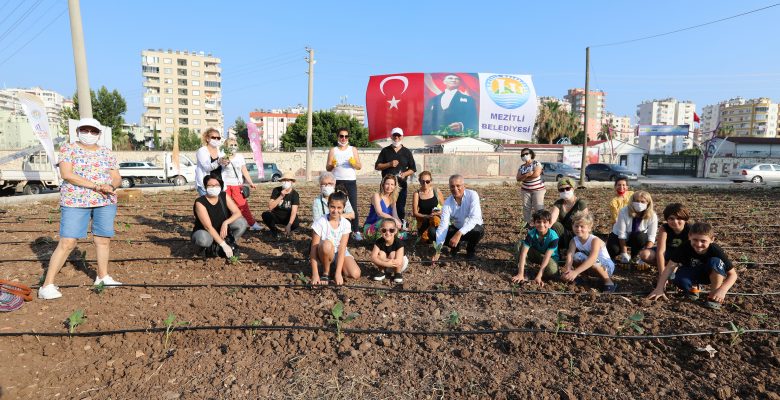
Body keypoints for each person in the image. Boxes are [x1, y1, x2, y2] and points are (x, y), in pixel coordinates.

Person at [39, 118, 123, 300]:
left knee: (103, 240)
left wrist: (112, 186)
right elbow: (67, 174)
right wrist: (96, 186)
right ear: (78, 131)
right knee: (68, 242)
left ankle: (102, 277)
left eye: (93, 131)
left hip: (105, 200)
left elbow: (116, 176)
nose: (89, 134)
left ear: (99, 134)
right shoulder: (68, 149)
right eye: (85, 130)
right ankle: (47, 285)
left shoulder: (106, 152)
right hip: (75, 200)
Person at [647, 222, 737, 310]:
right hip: (691, 272)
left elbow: (733, 275)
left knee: (715, 262)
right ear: (689, 236)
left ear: (712, 239)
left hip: (709, 274)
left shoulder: (715, 250)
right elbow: (669, 267)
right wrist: (659, 288)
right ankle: (693, 289)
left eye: (703, 241)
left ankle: (714, 296)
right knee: (677, 278)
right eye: (695, 240)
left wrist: (722, 290)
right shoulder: (683, 248)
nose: (698, 244)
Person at [309, 191, 361, 286]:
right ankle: (325, 272)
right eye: (332, 207)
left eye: (339, 208)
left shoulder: (346, 224)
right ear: (328, 206)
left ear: (343, 208)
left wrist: (338, 274)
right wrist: (315, 274)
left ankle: (335, 269)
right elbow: (313, 248)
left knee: (355, 274)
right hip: (323, 252)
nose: (335, 210)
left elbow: (342, 248)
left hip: (338, 253)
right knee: (327, 245)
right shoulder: (320, 222)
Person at [191, 175, 248, 257]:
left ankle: (229, 244)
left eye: (217, 185)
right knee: (203, 239)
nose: (214, 187)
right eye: (210, 185)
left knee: (241, 222)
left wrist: (226, 222)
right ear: (205, 187)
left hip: (221, 230)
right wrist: (223, 245)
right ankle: (202, 250)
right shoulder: (200, 202)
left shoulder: (224, 196)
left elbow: (237, 212)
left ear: (221, 186)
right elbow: (208, 227)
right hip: (206, 232)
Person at [561, 211, 617, 292]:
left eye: (582, 226)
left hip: (606, 267)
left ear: (589, 228)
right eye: (576, 226)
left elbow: (592, 259)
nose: (578, 229)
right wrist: (568, 270)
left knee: (594, 261)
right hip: (592, 265)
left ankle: (608, 282)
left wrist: (575, 272)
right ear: (572, 226)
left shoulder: (595, 240)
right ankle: (585, 279)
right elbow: (570, 255)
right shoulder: (573, 241)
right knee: (577, 256)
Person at [432, 175, 484, 261]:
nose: (455, 189)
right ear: (449, 187)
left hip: (471, 230)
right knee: (433, 232)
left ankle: (470, 250)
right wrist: (437, 250)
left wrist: (459, 233)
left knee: (477, 230)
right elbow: (443, 225)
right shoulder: (448, 202)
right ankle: (455, 247)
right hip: (457, 228)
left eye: (458, 186)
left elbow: (475, 218)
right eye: (452, 186)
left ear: (464, 186)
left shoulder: (472, 195)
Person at [374, 127, 416, 229]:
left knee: (400, 207)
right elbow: (377, 166)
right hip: (386, 186)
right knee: (386, 206)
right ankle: (385, 227)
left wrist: (405, 174)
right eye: (394, 135)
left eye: (399, 135)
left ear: (402, 137)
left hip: (401, 185)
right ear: (391, 136)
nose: (396, 137)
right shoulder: (385, 151)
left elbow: (413, 168)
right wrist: (389, 164)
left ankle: (399, 227)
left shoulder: (406, 152)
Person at [326, 128, 363, 240]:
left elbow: (359, 166)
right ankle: (336, 229)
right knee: (336, 205)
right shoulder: (333, 150)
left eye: (346, 136)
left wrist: (353, 164)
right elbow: (327, 168)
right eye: (341, 136)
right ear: (338, 137)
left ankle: (356, 230)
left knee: (353, 205)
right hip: (336, 181)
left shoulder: (353, 149)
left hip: (350, 181)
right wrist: (332, 165)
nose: (343, 138)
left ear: (348, 138)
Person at [221, 137, 261, 231]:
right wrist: (225, 159)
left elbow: (244, 171)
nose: (233, 147)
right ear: (226, 146)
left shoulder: (240, 157)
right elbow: (221, 165)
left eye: (235, 145)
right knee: (226, 206)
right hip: (225, 185)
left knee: (243, 205)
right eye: (231, 145)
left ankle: (252, 223)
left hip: (237, 185)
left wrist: (250, 182)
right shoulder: (223, 156)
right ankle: (228, 224)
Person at [607, 190, 658, 264]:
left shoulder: (652, 216)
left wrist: (645, 255)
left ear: (648, 203)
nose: (639, 204)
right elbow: (622, 234)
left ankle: (635, 256)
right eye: (636, 201)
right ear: (632, 201)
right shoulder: (624, 211)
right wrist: (624, 253)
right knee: (613, 249)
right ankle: (612, 258)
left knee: (641, 237)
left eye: (642, 202)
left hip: (637, 238)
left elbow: (651, 236)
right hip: (618, 236)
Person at [511, 209, 559, 287]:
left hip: (550, 258)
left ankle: (538, 274)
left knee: (552, 271)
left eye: (544, 222)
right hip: (537, 254)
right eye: (538, 222)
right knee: (520, 244)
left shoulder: (553, 237)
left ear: (549, 223)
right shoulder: (531, 234)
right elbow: (523, 253)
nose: (541, 225)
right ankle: (525, 271)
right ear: (534, 223)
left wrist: (539, 276)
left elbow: (547, 257)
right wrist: (520, 273)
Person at [649, 203, 691, 280]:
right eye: (671, 218)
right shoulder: (664, 228)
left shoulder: (690, 230)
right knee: (645, 254)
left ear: (685, 219)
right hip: (669, 251)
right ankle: (667, 268)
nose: (675, 221)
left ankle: (676, 268)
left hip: (683, 255)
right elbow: (661, 252)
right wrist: (662, 274)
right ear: (667, 219)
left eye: (679, 218)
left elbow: (689, 252)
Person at [550, 177, 589, 253]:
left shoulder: (580, 203)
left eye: (567, 188)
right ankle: (556, 251)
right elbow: (552, 219)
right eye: (561, 190)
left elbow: (585, 222)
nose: (565, 191)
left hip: (577, 233)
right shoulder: (559, 203)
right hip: (563, 234)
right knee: (555, 225)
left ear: (573, 188)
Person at [363, 174, 405, 241]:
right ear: (383, 184)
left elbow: (395, 216)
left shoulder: (393, 199)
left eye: (392, 184)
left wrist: (401, 225)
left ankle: (388, 242)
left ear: (395, 186)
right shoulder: (376, 196)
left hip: (385, 229)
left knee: (403, 235)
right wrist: (394, 220)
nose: (389, 187)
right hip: (371, 228)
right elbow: (379, 213)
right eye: (387, 184)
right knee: (385, 222)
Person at [370, 218, 410, 284]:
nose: (388, 233)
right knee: (380, 253)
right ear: (380, 231)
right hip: (387, 265)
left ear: (395, 231)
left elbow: (399, 261)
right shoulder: (378, 242)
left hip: (399, 264)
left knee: (393, 254)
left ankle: (397, 273)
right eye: (384, 230)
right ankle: (382, 272)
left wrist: (386, 262)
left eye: (391, 230)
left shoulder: (399, 243)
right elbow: (373, 258)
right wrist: (387, 264)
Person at [261, 172, 300, 237]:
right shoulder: (276, 190)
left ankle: (288, 230)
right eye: (284, 180)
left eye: (288, 180)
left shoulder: (295, 194)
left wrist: (289, 225)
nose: (285, 182)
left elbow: (294, 212)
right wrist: (281, 196)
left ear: (292, 182)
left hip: (287, 216)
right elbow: (270, 207)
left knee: (296, 222)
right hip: (276, 215)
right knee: (266, 215)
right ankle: (275, 230)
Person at [412, 171, 444, 243]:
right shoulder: (417, 194)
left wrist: (438, 212)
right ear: (419, 181)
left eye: (427, 181)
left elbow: (444, 208)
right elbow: (415, 213)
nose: (425, 184)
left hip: (436, 219)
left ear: (431, 181)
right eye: (422, 181)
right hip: (423, 221)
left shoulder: (436, 191)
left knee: (433, 228)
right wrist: (427, 216)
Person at [516, 148, 545, 228]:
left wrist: (523, 177)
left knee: (538, 208)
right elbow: (518, 178)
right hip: (525, 190)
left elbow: (536, 174)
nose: (524, 156)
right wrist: (527, 175)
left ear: (531, 154)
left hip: (538, 190)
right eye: (522, 155)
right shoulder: (521, 167)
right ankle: (527, 224)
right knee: (526, 208)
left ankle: (540, 223)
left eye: (526, 154)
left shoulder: (536, 163)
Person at [195, 128, 227, 196]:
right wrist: (219, 161)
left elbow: (224, 167)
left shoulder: (220, 151)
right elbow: (207, 167)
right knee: (207, 205)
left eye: (218, 138)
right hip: (206, 185)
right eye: (213, 137)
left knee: (219, 206)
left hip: (219, 184)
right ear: (207, 139)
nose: (216, 139)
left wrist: (226, 163)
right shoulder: (202, 151)